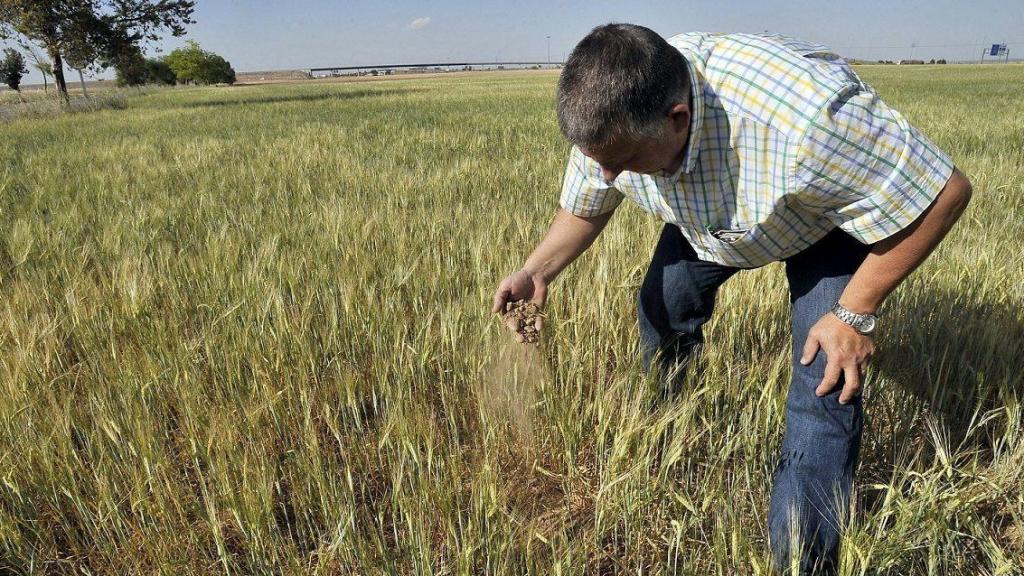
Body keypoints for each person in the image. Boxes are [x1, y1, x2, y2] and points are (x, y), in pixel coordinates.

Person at [490, 23, 972, 575]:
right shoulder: (614, 123)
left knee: (823, 381)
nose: (607, 174)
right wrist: (536, 270)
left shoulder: (807, 121)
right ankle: (668, 423)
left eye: (621, 161)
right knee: (661, 308)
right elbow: (587, 202)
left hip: (822, 224)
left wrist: (855, 311)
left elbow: (944, 192)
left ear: (678, 118)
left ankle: (802, 560)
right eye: (599, 160)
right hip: (708, 219)